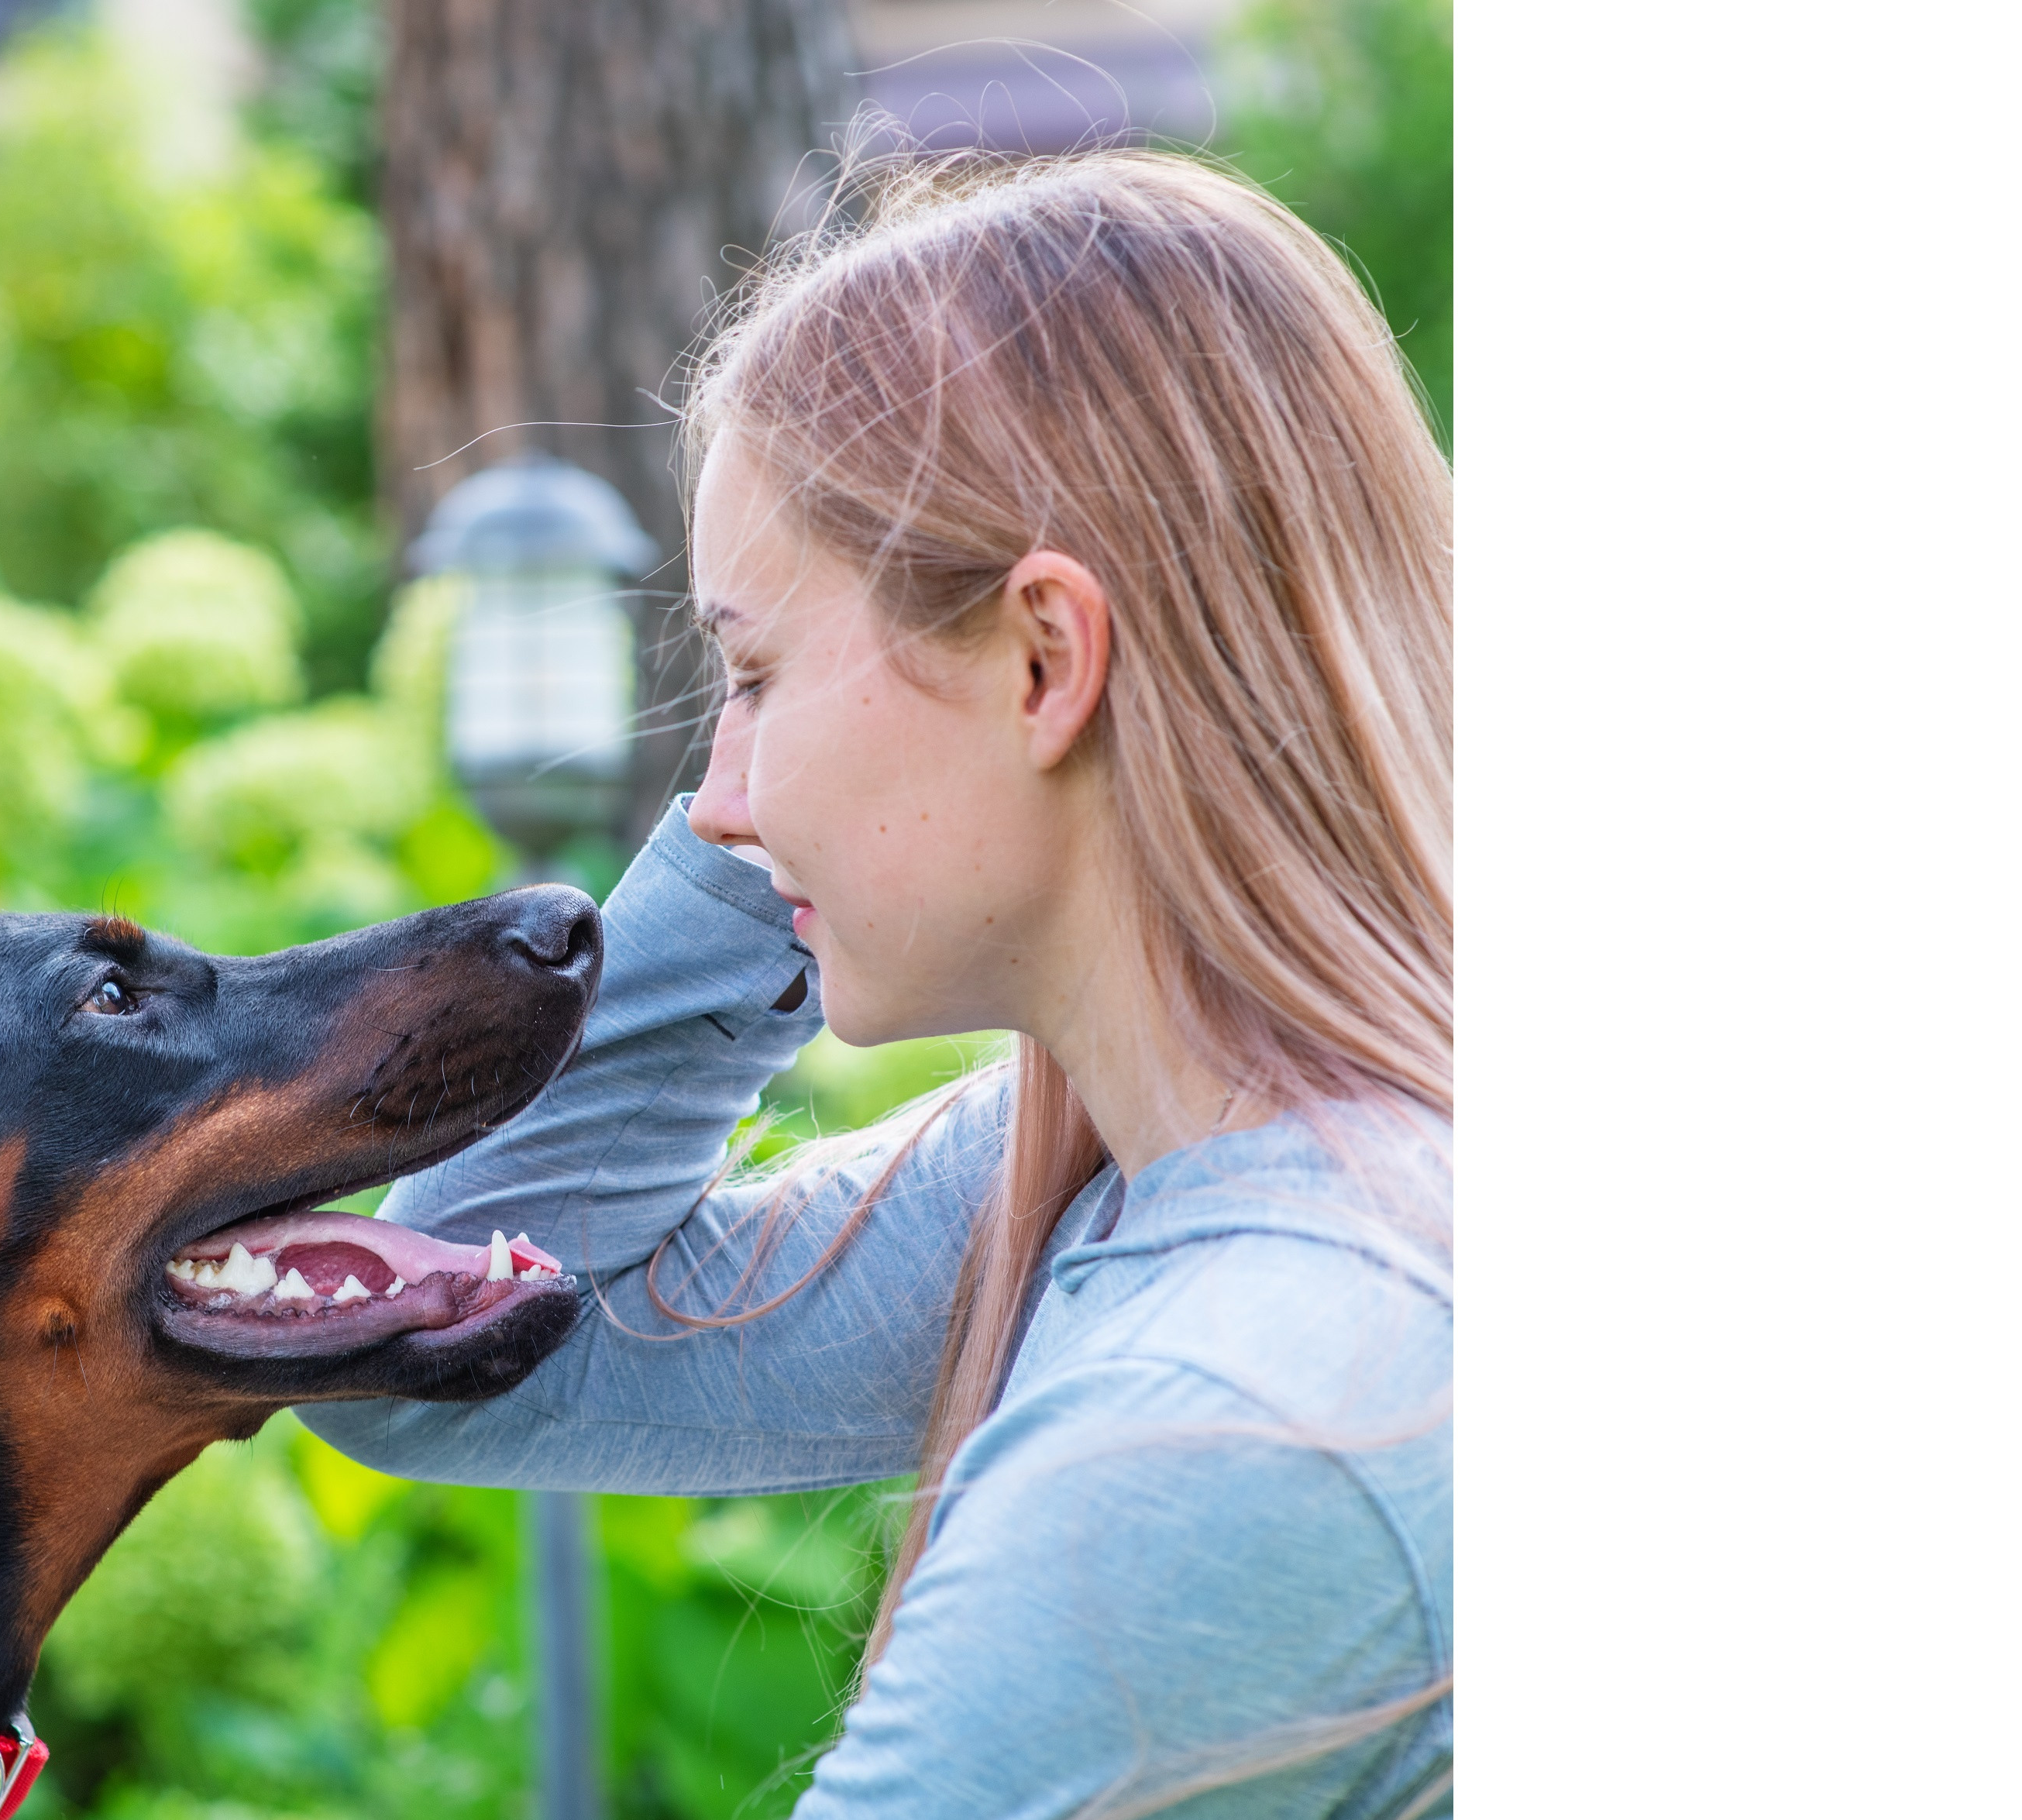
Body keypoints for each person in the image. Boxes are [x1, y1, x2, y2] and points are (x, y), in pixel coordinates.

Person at [304, 150, 1453, 1820]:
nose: (728, 793)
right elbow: (460, 1351)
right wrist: (752, 875)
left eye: (756, 670)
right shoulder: (1132, 1183)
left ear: (1047, 660)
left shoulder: (1221, 1424)